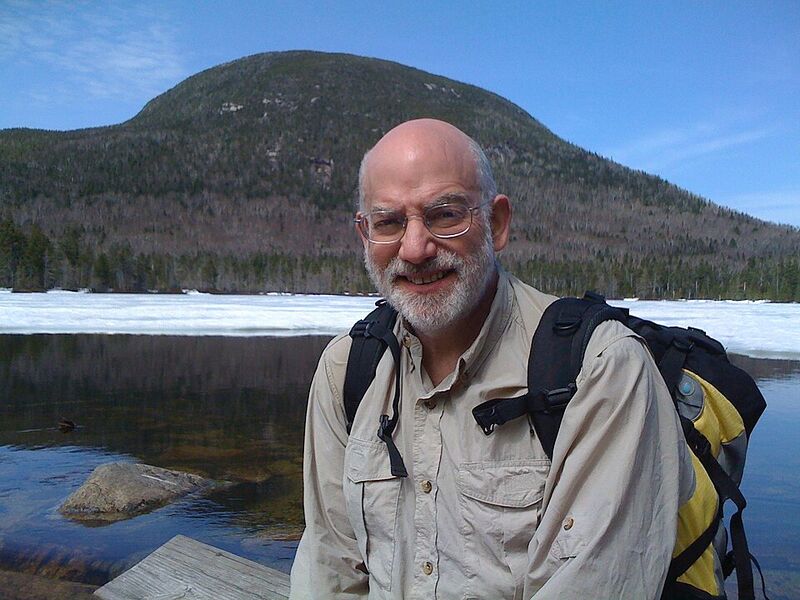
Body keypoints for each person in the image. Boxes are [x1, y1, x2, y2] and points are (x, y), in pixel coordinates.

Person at [289, 118, 693, 599]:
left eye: (444, 214)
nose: (415, 249)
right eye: (389, 222)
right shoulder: (347, 371)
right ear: (365, 235)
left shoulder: (601, 369)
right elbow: (329, 565)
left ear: (497, 224)